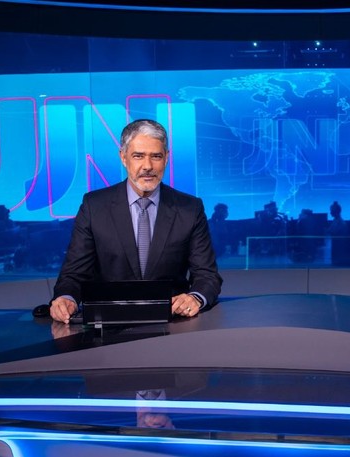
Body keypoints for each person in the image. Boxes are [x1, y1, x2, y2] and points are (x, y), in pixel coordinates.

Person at [49, 119, 222, 323]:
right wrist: (66, 299)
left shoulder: (190, 209)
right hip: (108, 324)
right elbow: (73, 275)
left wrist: (195, 298)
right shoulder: (94, 206)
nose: (147, 166)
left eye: (156, 156)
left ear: (166, 158)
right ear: (123, 157)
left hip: (172, 325)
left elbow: (207, 276)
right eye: (138, 156)